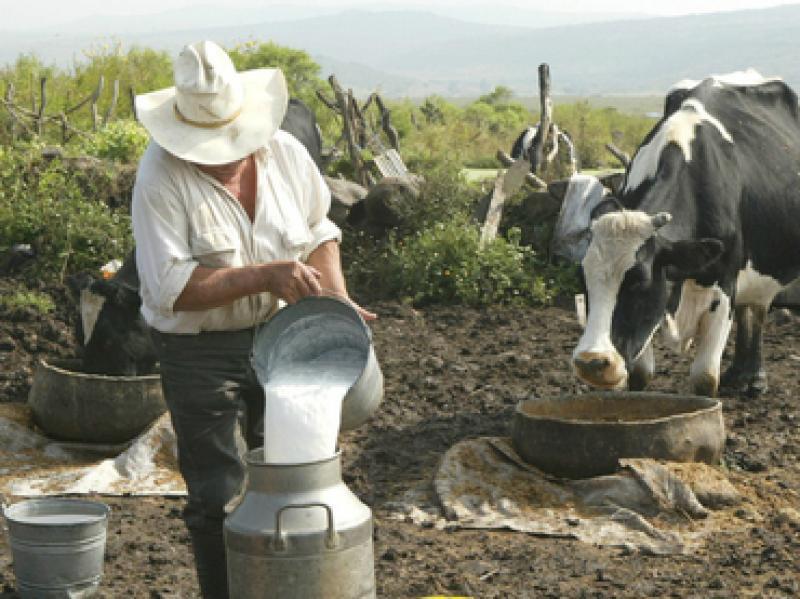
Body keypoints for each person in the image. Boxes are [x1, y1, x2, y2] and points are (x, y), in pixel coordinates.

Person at [131, 40, 375, 598]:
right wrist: (264, 275)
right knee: (219, 496)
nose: (223, 153)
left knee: (295, 480)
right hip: (200, 352)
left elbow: (319, 231)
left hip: (283, 337)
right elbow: (174, 290)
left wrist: (333, 299)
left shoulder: (284, 152)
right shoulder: (160, 179)